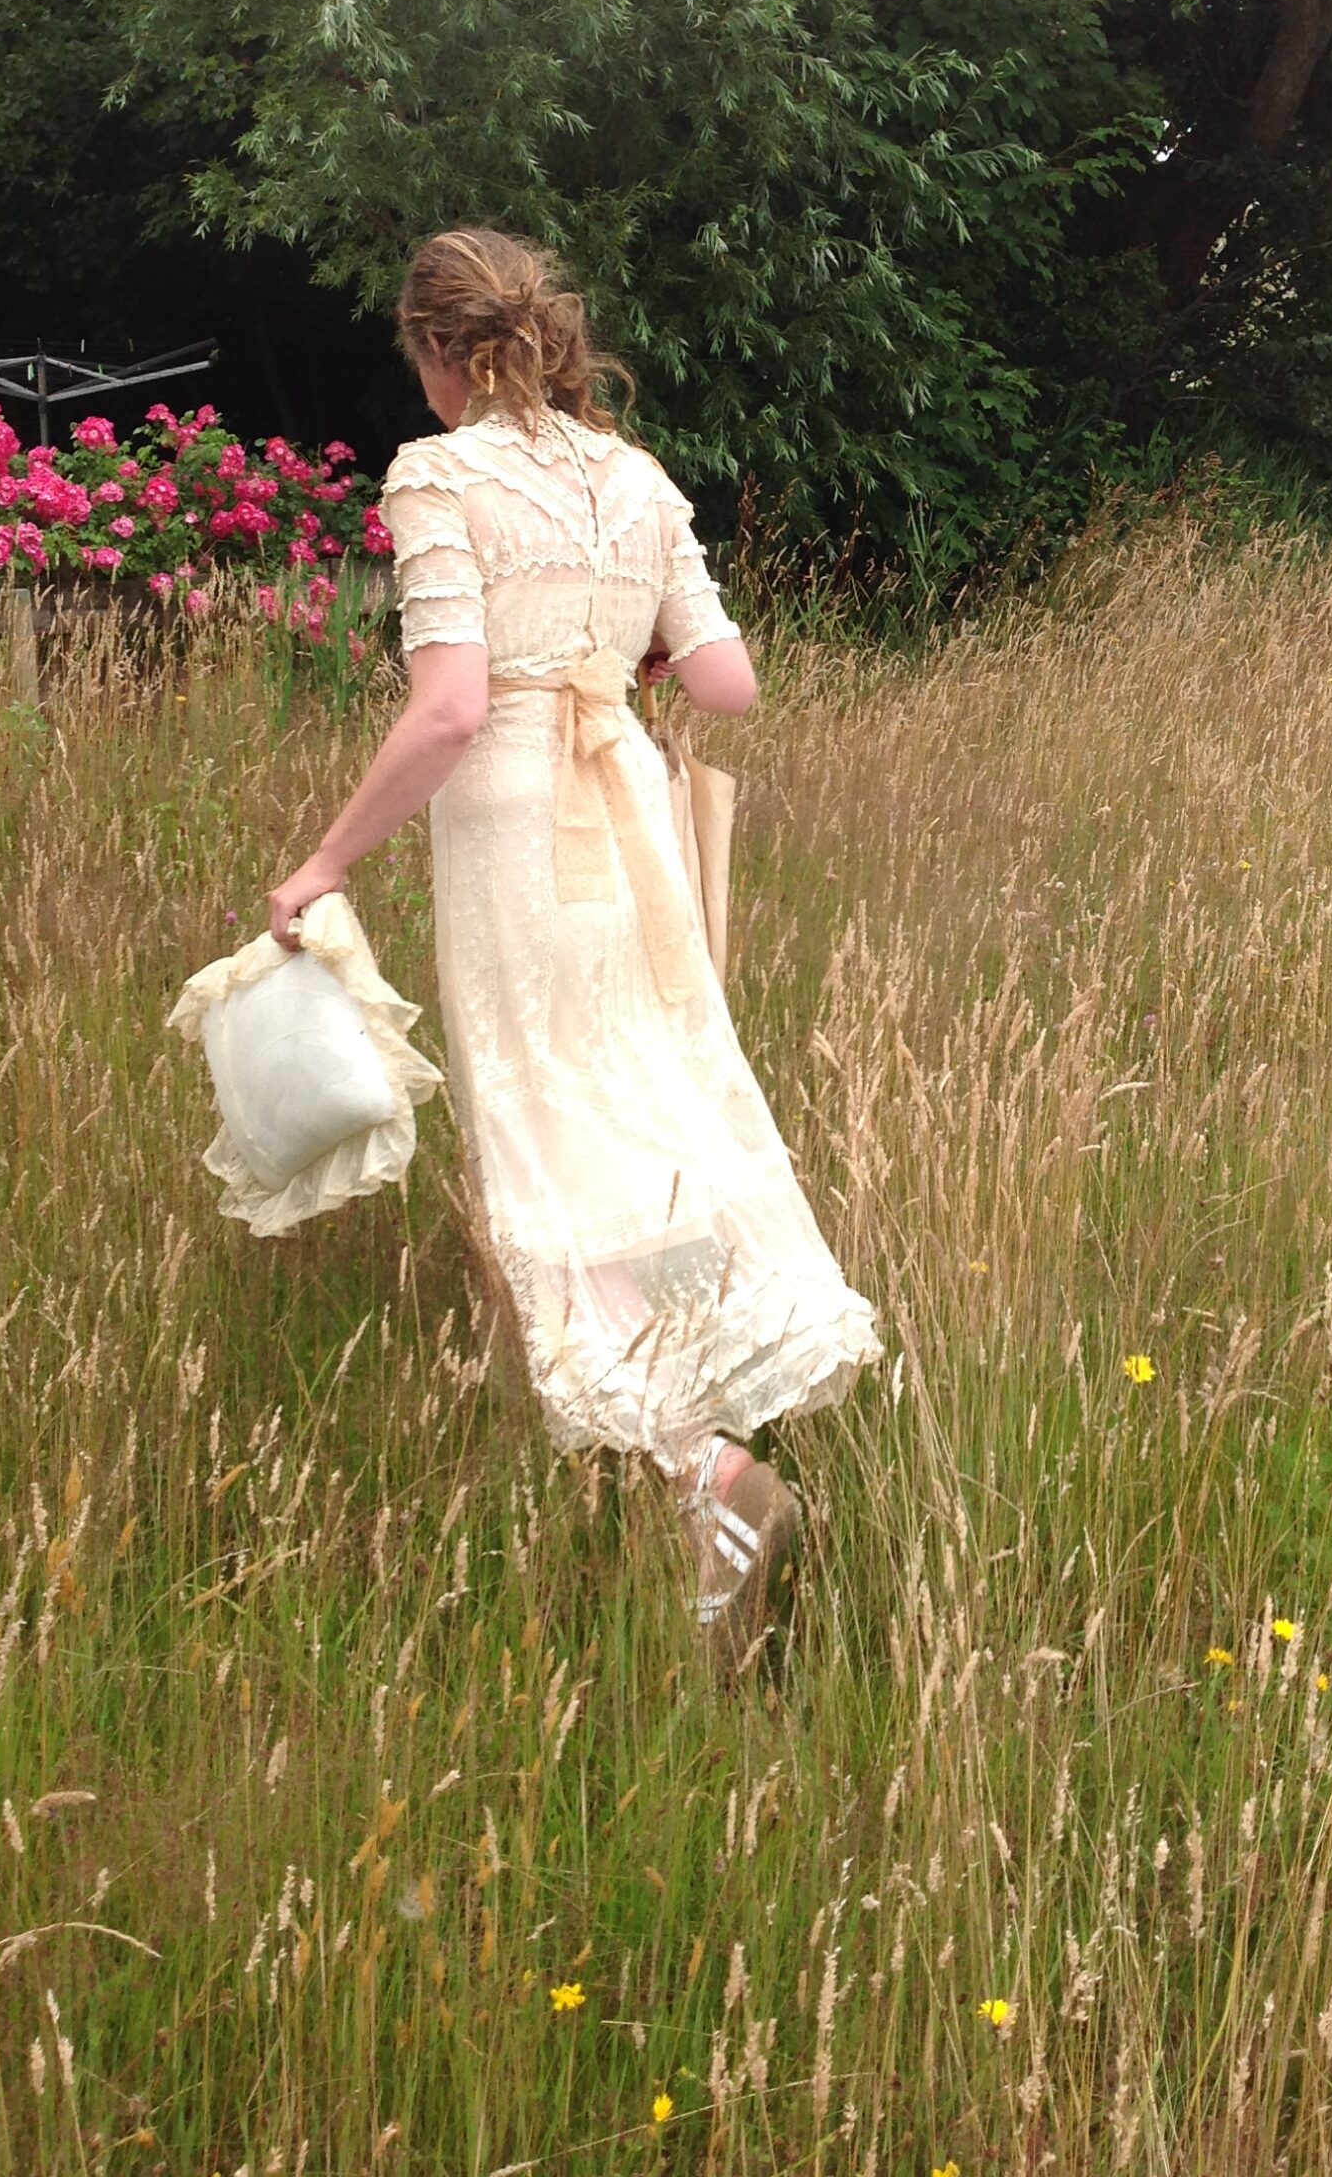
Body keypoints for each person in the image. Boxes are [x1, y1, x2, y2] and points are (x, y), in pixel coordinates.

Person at [267, 227, 883, 1669]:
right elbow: (726, 685)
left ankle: (697, 1473)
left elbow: (450, 710)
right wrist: (624, 651)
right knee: (641, 1103)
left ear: (436, 350)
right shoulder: (640, 478)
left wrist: (323, 862)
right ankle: (698, 1431)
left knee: (547, 1120)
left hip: (518, 836)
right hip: (633, 818)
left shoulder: (439, 476)